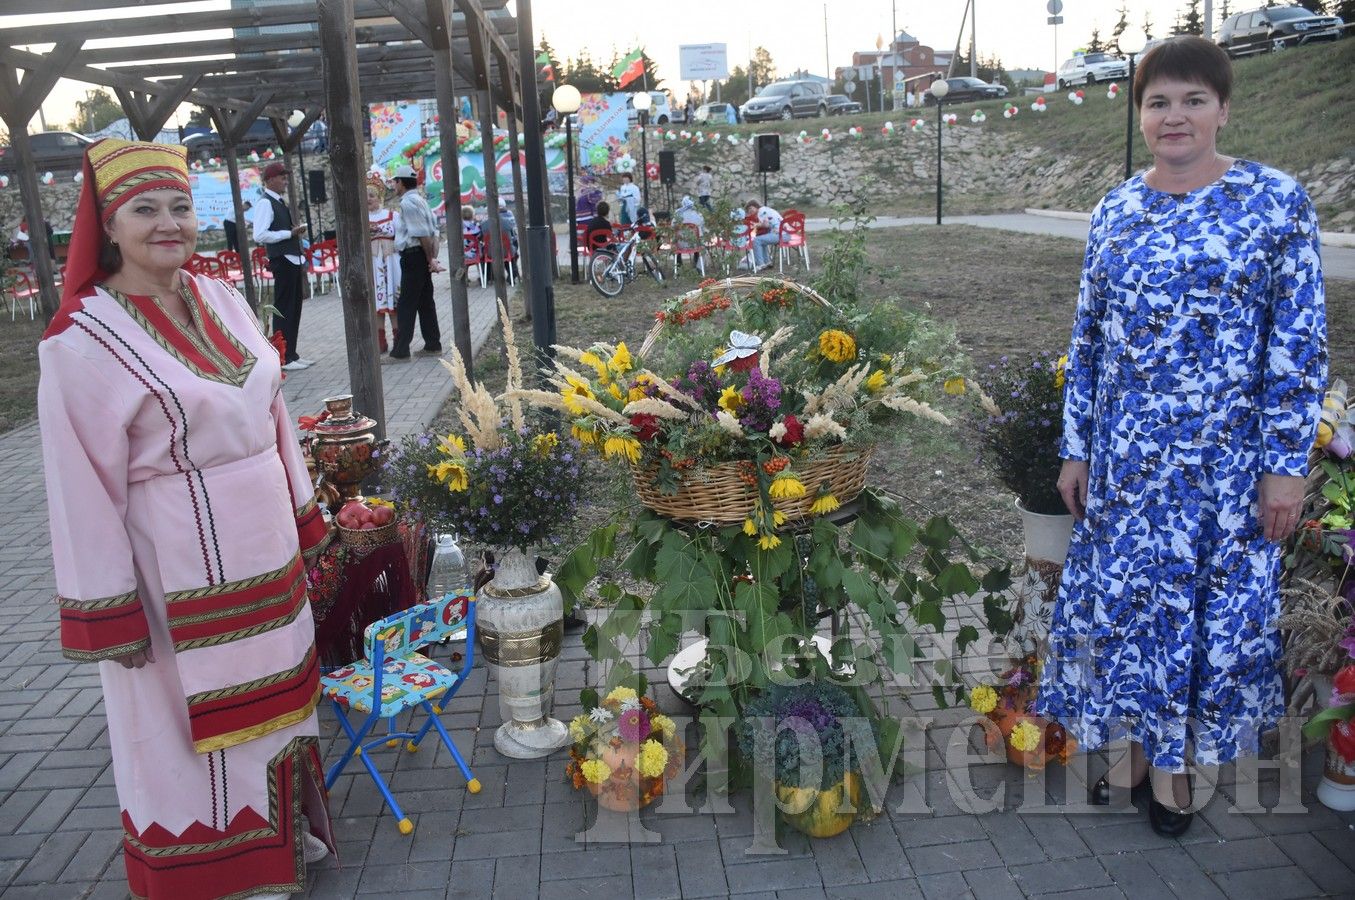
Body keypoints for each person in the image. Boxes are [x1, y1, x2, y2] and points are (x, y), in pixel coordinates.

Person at [1036, 36, 1327, 838]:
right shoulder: (1115, 209)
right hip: (1128, 463)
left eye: (1193, 99)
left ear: (1223, 109)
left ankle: (1171, 774)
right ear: (1140, 115)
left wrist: (1284, 468)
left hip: (1223, 471)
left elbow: (1296, 345)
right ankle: (1130, 753)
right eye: (1158, 101)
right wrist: (1076, 445)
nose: (1175, 116)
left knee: (1196, 619)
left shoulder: (1275, 202)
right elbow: (1088, 336)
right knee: (1131, 614)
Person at [37, 138, 334, 899]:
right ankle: (217, 871)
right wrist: (111, 612)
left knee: (280, 700)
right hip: (173, 568)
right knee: (180, 730)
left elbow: (272, 413)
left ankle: (282, 844)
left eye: (180, 207)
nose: (168, 223)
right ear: (107, 225)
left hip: (263, 546)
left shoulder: (222, 299)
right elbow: (79, 489)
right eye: (145, 209)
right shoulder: (81, 342)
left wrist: (305, 525)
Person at [250, 161, 310, 370]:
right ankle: (282, 357)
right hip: (282, 260)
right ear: (269, 180)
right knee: (284, 308)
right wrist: (289, 234)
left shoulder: (278, 201)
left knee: (294, 308)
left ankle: (291, 353)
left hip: (291, 258)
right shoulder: (266, 202)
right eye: (281, 177)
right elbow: (260, 234)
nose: (285, 180)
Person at [386, 164, 444, 363]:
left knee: (406, 304)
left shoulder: (408, 204)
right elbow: (433, 233)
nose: (394, 185)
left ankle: (401, 351)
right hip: (421, 256)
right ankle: (432, 344)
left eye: (395, 182)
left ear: (401, 182)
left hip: (413, 256)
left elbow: (422, 235)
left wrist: (429, 260)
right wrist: (432, 259)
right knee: (425, 302)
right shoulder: (422, 201)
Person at [367, 175, 399, 353]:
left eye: (372, 195)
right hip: (373, 263)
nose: (368, 199)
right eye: (366, 196)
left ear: (379, 197)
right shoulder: (362, 219)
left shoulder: (392, 215)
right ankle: (380, 341)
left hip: (391, 263)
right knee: (377, 305)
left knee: (393, 302)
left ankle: (398, 339)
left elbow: (400, 236)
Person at [745, 199, 783, 272]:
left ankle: (761, 264)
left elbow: (766, 225)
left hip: (779, 234)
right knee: (762, 240)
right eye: (748, 209)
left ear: (756, 206)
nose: (749, 211)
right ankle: (767, 262)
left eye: (750, 208)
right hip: (783, 233)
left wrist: (755, 225)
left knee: (756, 240)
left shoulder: (761, 212)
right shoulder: (766, 209)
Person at [674, 195, 705, 269]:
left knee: (675, 242)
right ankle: (697, 267)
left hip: (680, 245)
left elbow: (673, 226)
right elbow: (702, 223)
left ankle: (679, 267)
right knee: (701, 243)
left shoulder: (677, 214)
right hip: (694, 244)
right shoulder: (697, 215)